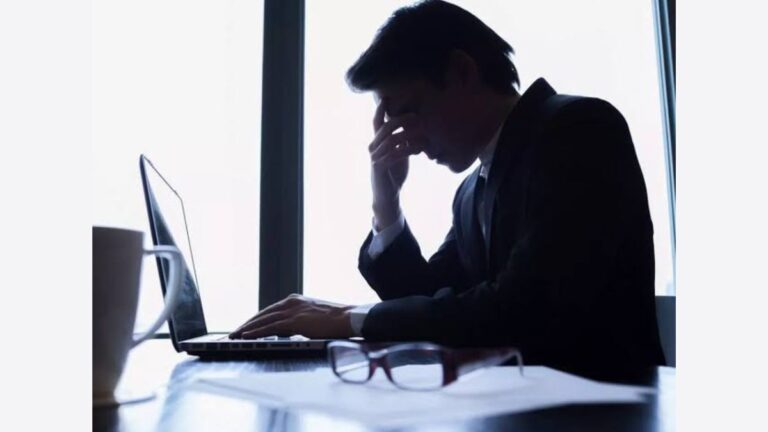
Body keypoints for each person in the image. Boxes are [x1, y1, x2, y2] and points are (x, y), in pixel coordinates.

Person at [231, 0, 665, 371]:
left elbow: (522, 311)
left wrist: (349, 319)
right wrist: (387, 203)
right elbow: (427, 304)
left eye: (410, 112)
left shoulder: (578, 130)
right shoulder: (472, 191)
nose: (409, 140)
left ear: (461, 71)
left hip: (604, 413)